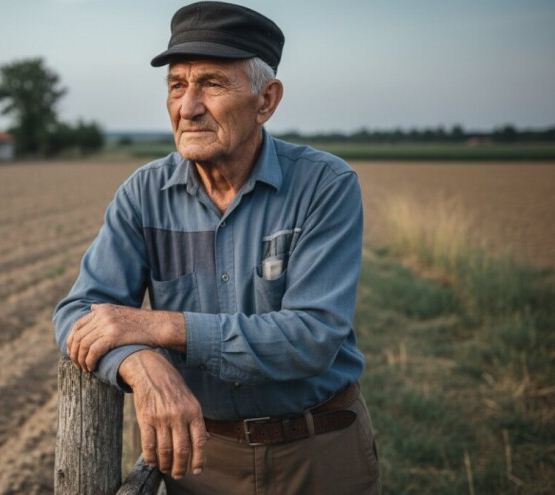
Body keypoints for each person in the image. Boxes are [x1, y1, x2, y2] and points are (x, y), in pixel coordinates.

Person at [53, 1, 380, 493]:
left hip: (319, 452)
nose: (188, 106)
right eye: (177, 85)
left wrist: (159, 326)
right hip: (199, 464)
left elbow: (312, 336)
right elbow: (79, 311)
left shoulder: (324, 185)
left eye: (211, 83)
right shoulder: (144, 195)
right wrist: (143, 364)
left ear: (265, 100)